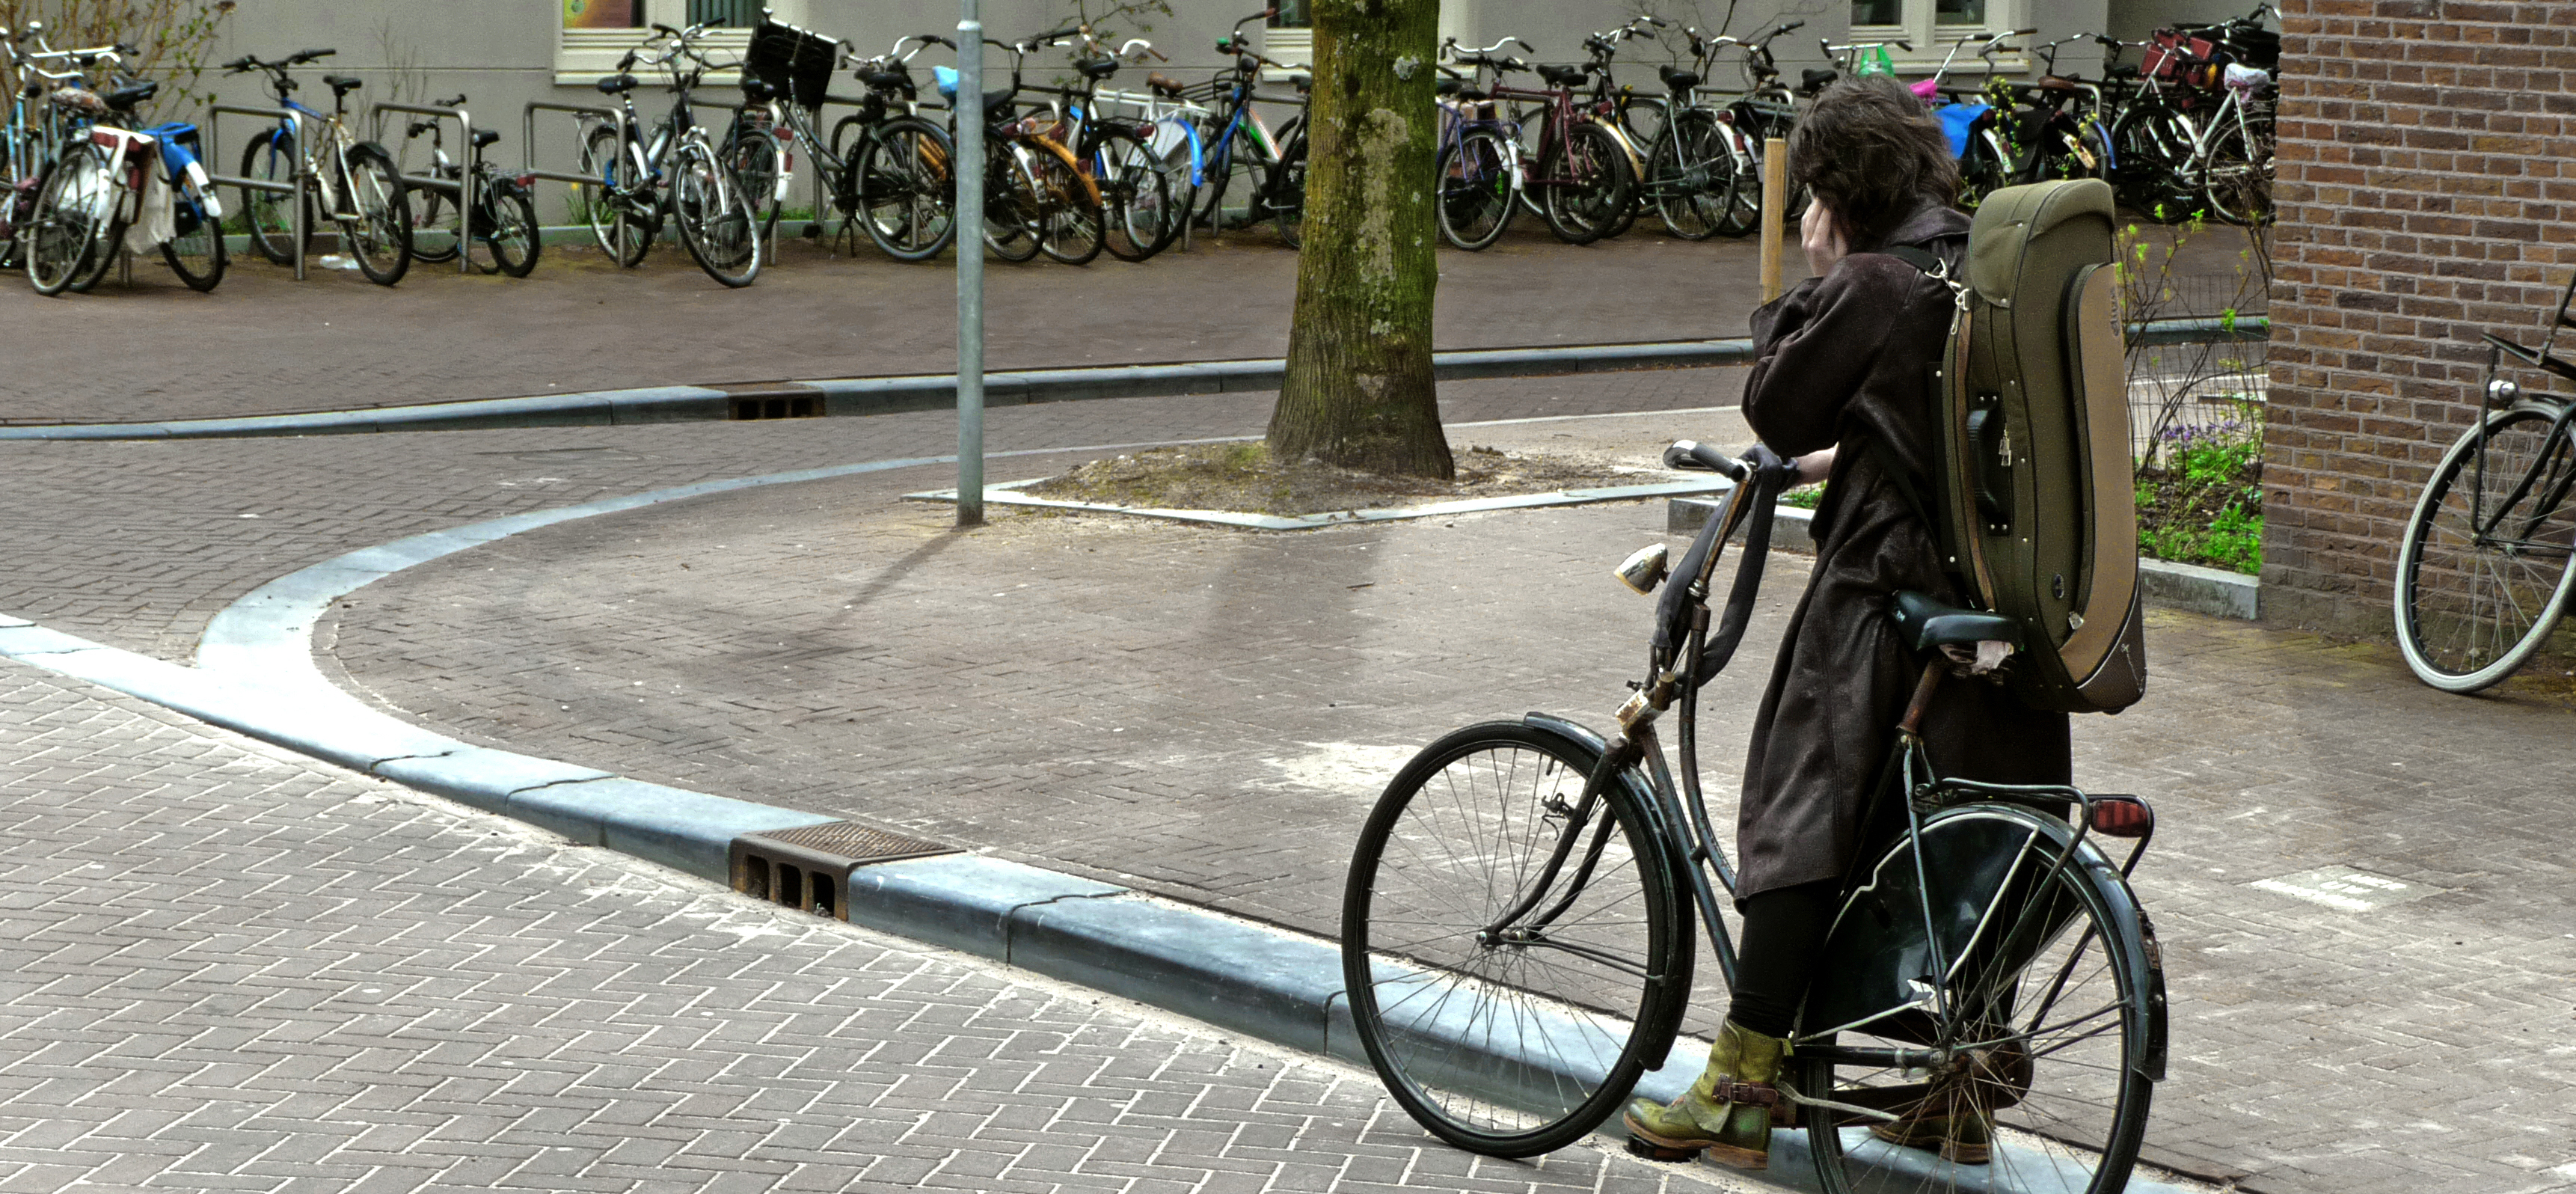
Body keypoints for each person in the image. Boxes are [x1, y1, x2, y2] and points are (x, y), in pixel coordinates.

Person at [1623, 75, 2073, 1170]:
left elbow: (1777, 402)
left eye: (1815, 188)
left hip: (1881, 595)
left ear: (1834, 186)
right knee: (1968, 831)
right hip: (2001, 599)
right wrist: (1848, 453)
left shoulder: (1873, 279)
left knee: (1800, 816)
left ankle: (1738, 1085)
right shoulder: (1976, 257)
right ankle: (1957, 1095)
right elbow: (1931, 417)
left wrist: (1814, 282)